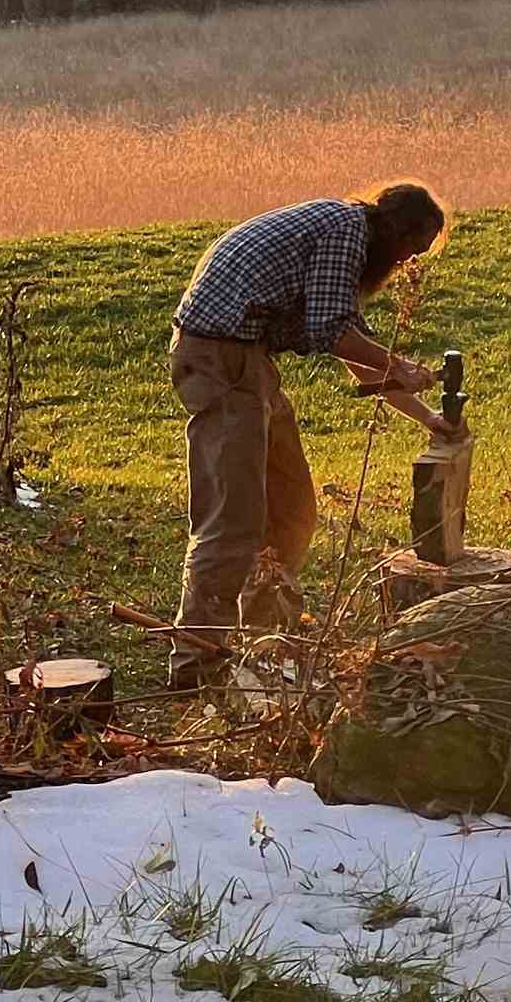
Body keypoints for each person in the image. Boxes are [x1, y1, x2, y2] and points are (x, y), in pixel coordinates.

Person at [166, 182, 452, 685]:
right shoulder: (345, 230)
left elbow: (347, 346)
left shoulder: (341, 234)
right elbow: (331, 332)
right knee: (231, 524)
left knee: (292, 508)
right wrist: (398, 364)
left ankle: (265, 645)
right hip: (219, 360)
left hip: (248, 361)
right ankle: (196, 667)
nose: (409, 264)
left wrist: (428, 417)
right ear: (395, 228)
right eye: (414, 250)